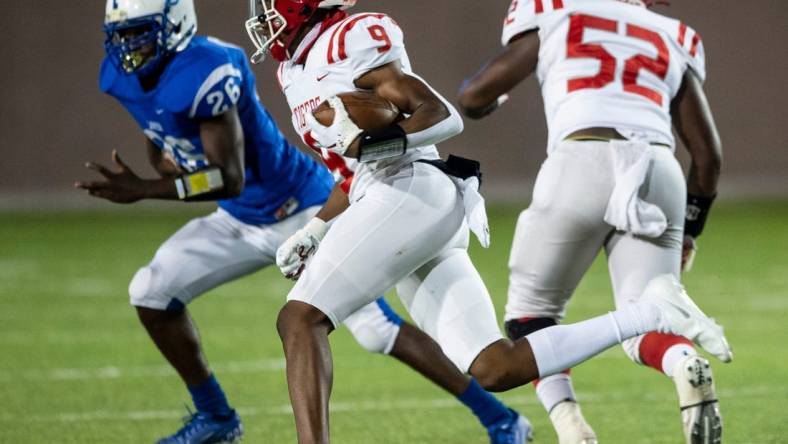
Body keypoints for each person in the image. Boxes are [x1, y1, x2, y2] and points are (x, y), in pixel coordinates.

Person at [243, 1, 731, 442]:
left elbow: (441, 115)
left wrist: (378, 145)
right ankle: (653, 313)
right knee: (494, 365)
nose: (261, 11)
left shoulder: (350, 37)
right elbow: (354, 172)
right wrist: (317, 228)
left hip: (412, 189)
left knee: (300, 318)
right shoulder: (294, 69)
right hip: (394, 196)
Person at [79, 1, 532, 442]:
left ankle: (500, 419)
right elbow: (163, 137)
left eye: (136, 33)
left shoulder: (211, 69)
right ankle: (215, 415)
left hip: (297, 203)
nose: (126, 45)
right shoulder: (122, 75)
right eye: (120, 34)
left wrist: (147, 190)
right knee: (150, 291)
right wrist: (162, 168)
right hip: (238, 218)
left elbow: (227, 177)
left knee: (373, 332)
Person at [457, 0, 725, 442]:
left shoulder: (557, 11)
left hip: (581, 158)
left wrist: (489, 100)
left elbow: (472, 96)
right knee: (648, 315)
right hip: (659, 167)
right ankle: (682, 361)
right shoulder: (672, 32)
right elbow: (708, 156)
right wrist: (690, 230)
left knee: (530, 317)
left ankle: (571, 426)